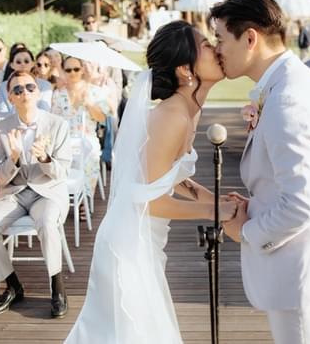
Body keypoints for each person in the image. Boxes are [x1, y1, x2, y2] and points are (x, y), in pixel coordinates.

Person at [66, 21, 236, 343]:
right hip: (127, 245)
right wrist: (215, 210)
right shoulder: (173, 115)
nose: (215, 48)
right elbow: (151, 201)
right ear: (186, 70)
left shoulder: (189, 109)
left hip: (145, 242)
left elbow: (170, 177)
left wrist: (218, 200)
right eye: (206, 46)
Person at [211, 0, 310, 344]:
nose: (217, 48)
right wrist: (255, 204)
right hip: (301, 259)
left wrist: (245, 232)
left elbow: (299, 205)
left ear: (250, 38)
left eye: (220, 38)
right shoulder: (285, 83)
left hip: (301, 265)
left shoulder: (288, 98)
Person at [0, 71, 72, 318]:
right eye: (18, 90)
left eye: (30, 87)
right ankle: (12, 285)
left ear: (38, 91)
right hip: (14, 192)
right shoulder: (0, 129)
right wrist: (15, 159)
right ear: (10, 97)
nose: (25, 93)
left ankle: (57, 287)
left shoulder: (58, 124)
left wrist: (44, 158)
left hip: (47, 192)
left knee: (47, 221)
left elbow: (61, 173)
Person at [51, 57, 110, 202]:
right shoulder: (58, 94)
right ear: (63, 71)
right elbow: (54, 121)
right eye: (68, 70)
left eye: (76, 69)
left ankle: (85, 198)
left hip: (87, 138)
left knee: (90, 155)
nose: (73, 73)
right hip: (65, 140)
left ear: (82, 69)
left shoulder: (95, 91)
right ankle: (64, 197)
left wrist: (89, 104)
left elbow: (102, 118)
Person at [0, 47, 53, 116]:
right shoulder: (3, 87)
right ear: (12, 65)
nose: (23, 64)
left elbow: (45, 111)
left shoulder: (45, 86)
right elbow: (1, 114)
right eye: (18, 62)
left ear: (32, 63)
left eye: (26, 61)